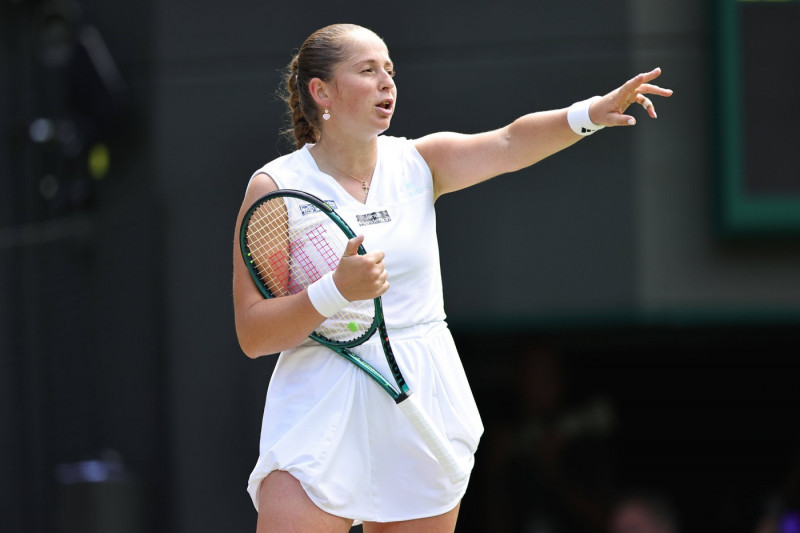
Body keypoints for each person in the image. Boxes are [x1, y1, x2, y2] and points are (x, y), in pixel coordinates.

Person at [232, 23, 673, 533]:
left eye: (390, 71)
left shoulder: (419, 162)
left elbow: (509, 142)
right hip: (320, 399)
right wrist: (335, 291)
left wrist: (588, 115)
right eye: (368, 70)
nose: (387, 83)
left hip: (421, 390)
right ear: (321, 90)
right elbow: (253, 333)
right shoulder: (275, 188)